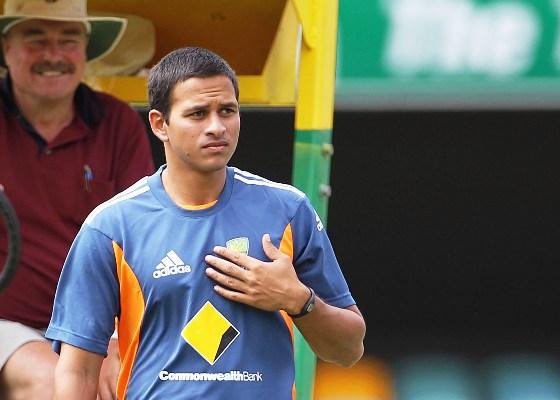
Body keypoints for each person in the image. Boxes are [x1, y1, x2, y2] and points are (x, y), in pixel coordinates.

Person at [46, 46, 366, 399]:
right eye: (198, 114)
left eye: (227, 111)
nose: (217, 127)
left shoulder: (288, 209)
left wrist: (297, 299)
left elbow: (348, 350)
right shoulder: (110, 228)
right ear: (160, 124)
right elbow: (77, 371)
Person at [0, 0, 155, 398]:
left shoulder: (118, 123)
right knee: (54, 384)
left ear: (85, 51)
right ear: (7, 48)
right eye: (36, 39)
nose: (53, 54)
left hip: (97, 330)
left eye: (67, 40)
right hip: (8, 324)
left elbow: (143, 240)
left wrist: (118, 341)